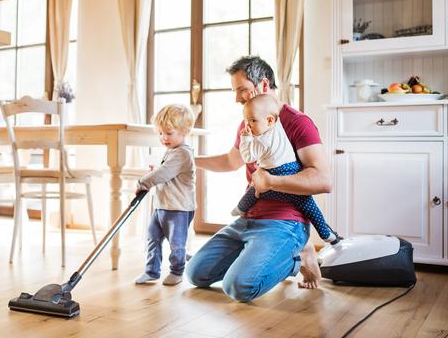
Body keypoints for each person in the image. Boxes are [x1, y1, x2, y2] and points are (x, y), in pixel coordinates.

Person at [185, 55, 332, 301]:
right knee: (195, 274)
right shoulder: (249, 122)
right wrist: (188, 160)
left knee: (239, 287)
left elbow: (322, 180)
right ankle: (263, 254)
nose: (236, 98)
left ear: (264, 85)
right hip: (248, 218)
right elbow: (231, 161)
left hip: (285, 221)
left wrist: (273, 182)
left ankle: (299, 256)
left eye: (242, 90)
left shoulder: (298, 123)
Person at [231, 94, 338, 244]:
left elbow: (248, 157)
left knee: (254, 192)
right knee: (310, 207)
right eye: (246, 121)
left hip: (274, 176)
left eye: (252, 121)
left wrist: (246, 139)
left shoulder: (262, 140)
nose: (247, 126)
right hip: (291, 169)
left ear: (269, 120)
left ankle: (240, 208)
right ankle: (327, 234)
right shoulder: (278, 124)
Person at [134, 104, 196, 286]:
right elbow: (165, 171)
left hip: (178, 208)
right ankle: (151, 271)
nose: (163, 138)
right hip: (162, 205)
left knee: (176, 243)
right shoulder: (171, 151)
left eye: (168, 133)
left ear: (184, 131)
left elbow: (163, 173)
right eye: (160, 133)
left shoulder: (183, 153)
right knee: (152, 237)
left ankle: (177, 271)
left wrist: (143, 182)